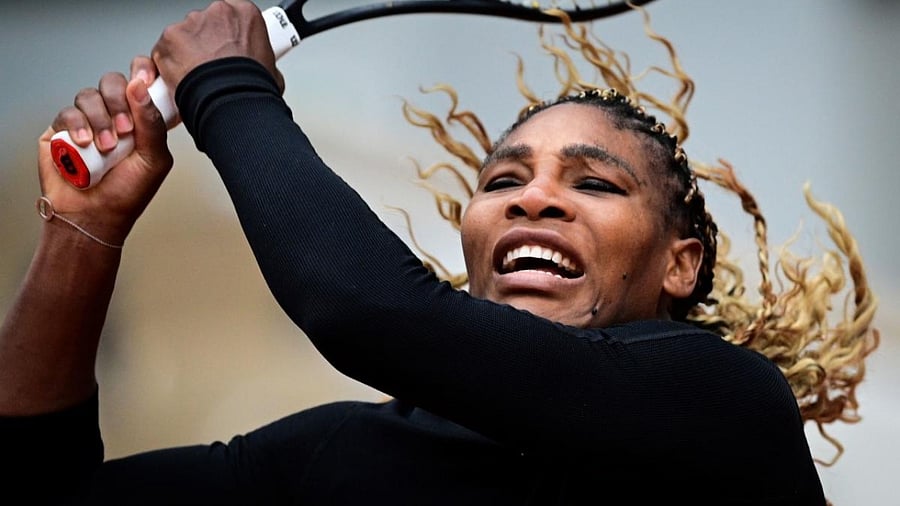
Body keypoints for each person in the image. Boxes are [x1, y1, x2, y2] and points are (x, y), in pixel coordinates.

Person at [0, 1, 876, 504]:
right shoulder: (341, 456)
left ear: (679, 265)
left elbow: (364, 307)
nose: (533, 197)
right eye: (504, 181)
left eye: (594, 183)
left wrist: (228, 84)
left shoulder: (725, 405)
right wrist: (82, 231)